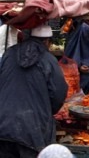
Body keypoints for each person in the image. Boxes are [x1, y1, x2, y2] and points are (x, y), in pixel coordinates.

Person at [0, 24, 68, 156]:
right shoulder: (49, 60)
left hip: (3, 125)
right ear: (47, 42)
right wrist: (46, 110)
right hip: (32, 130)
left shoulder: (9, 54)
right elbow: (58, 94)